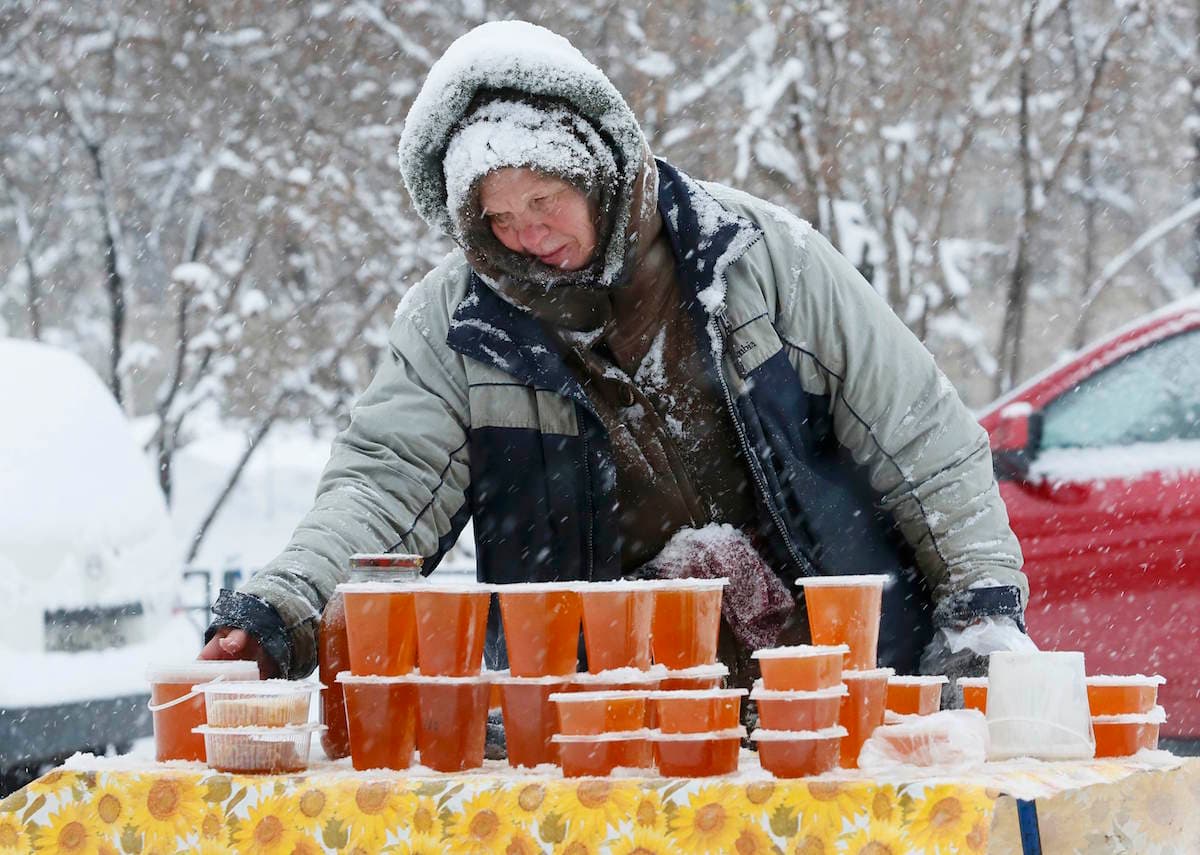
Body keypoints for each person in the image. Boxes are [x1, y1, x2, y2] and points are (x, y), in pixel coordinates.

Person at [200, 21, 1033, 701]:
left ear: (599, 171)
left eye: (545, 198)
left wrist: (982, 604)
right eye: (499, 217)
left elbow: (920, 434)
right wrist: (280, 610)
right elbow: (381, 489)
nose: (529, 233)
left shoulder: (760, 263)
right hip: (605, 713)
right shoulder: (455, 328)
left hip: (829, 686)